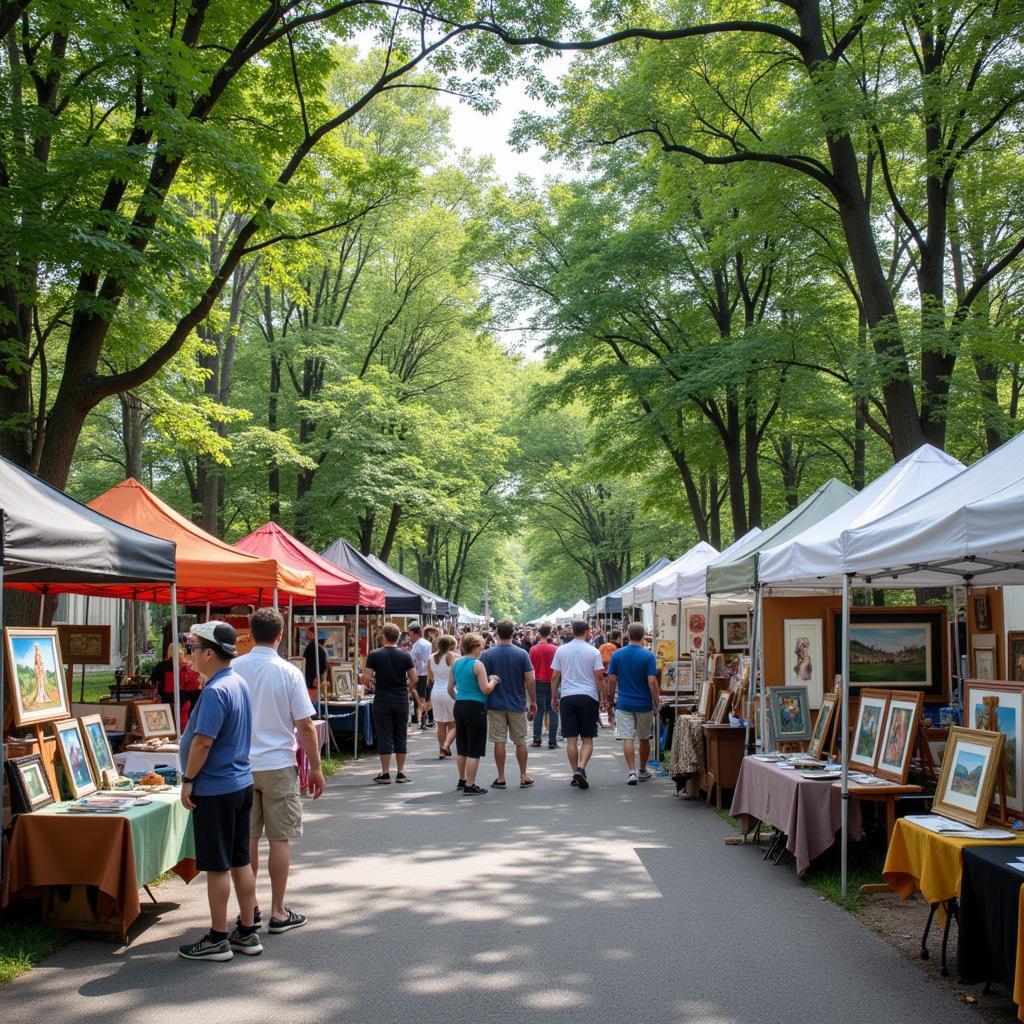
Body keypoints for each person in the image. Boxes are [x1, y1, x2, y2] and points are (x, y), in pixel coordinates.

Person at [233, 607, 325, 936]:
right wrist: (315, 768)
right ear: (280, 635)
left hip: (240, 766)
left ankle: (249, 908)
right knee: (279, 839)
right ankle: (277, 910)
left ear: (249, 631)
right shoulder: (288, 672)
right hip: (278, 764)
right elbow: (305, 725)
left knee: (247, 840)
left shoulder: (233, 668)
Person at [177, 621, 259, 961]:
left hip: (216, 788)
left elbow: (203, 742)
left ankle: (217, 937)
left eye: (194, 649)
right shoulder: (237, 682)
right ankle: (247, 931)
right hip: (240, 783)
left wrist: (188, 780)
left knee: (217, 866)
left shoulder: (215, 691)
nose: (190, 655)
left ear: (209, 653)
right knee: (240, 860)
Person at [481, 619, 537, 789]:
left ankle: (501, 777)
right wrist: (533, 701)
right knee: (520, 741)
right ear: (513, 633)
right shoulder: (522, 654)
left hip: (495, 704)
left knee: (499, 741)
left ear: (497, 632)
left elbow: (481, 680)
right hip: (517, 703)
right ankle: (523, 775)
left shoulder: (487, 654)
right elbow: (530, 679)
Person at [551, 620, 605, 790]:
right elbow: (599, 677)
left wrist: (554, 697)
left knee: (571, 740)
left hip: (567, 696)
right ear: (588, 631)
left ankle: (575, 772)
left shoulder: (561, 650)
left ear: (572, 631)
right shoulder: (593, 651)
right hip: (588, 696)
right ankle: (581, 768)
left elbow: (554, 677)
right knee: (587, 738)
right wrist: (604, 696)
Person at [362, 622, 417, 784]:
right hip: (400, 699)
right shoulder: (406, 655)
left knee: (384, 734)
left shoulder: (374, 654)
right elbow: (414, 679)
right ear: (398, 638)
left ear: (384, 636)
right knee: (401, 734)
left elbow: (366, 679)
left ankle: (385, 772)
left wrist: (368, 682)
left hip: (382, 699)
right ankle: (401, 772)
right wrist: (406, 690)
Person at [606, 622, 660, 785]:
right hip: (644, 703)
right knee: (644, 738)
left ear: (627, 635)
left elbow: (612, 679)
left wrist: (609, 698)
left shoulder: (617, 655)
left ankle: (631, 772)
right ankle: (642, 769)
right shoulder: (648, 656)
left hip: (624, 703)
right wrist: (656, 701)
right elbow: (652, 681)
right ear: (643, 636)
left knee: (627, 737)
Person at [448, 633, 500, 795]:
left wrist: (460, 698)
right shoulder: (477, 665)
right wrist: (494, 681)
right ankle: (470, 785)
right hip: (475, 706)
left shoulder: (456, 663)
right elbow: (486, 689)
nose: (482, 650)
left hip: (460, 705)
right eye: (481, 647)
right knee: (474, 748)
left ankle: (462, 779)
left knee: (462, 746)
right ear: (477, 647)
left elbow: (450, 688)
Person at [150, 640, 204, 729]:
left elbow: (153, 682)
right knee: (183, 725)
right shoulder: (188, 665)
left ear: (169, 651)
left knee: (166, 726)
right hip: (186, 699)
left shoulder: (162, 665)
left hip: (167, 699)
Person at [529, 623, 559, 749]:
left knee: (539, 711)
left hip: (538, 682)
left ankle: (537, 739)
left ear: (539, 633)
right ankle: (552, 740)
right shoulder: (555, 649)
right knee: (553, 710)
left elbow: (530, 669)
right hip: (553, 682)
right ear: (550, 633)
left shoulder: (533, 649)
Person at [427, 635, 457, 758]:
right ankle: (446, 745)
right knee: (453, 723)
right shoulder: (452, 657)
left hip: (436, 692)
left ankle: (441, 750)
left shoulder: (431, 658)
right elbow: (456, 675)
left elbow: (430, 676)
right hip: (449, 691)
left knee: (440, 724)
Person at [409, 623, 434, 728]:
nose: (409, 636)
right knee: (427, 697)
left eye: (410, 634)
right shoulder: (427, 643)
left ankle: (424, 720)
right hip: (426, 673)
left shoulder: (418, 645)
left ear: (415, 633)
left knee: (422, 698)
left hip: (421, 674)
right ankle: (429, 719)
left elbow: (416, 661)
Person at [598, 630, 622, 727]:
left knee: (606, 696)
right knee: (614, 695)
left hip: (603, 673)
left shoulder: (602, 647)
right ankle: (613, 716)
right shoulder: (615, 648)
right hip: (612, 674)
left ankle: (610, 716)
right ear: (618, 637)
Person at [302, 626, 328, 704]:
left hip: (313, 679)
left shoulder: (315, 648)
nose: (306, 636)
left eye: (308, 633)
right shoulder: (316, 648)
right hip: (314, 680)